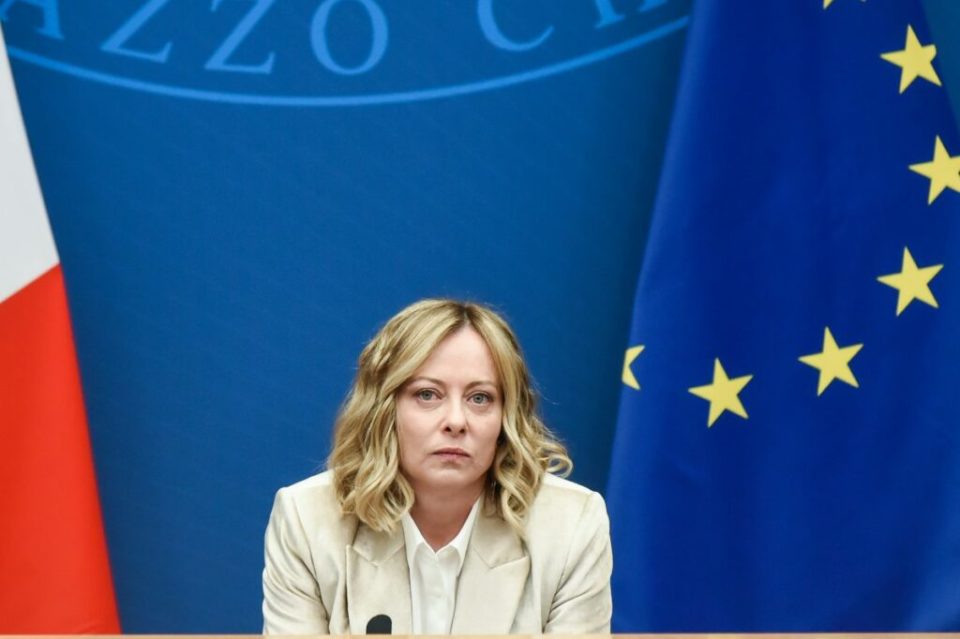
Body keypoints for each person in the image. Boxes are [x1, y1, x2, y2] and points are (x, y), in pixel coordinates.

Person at [262, 299, 612, 634]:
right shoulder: (307, 521)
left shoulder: (570, 526)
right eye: (427, 395)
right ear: (384, 410)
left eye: (480, 398)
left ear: (506, 417)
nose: (456, 421)